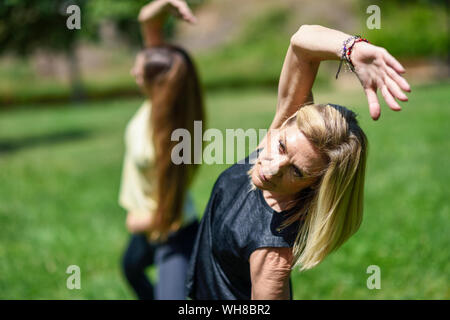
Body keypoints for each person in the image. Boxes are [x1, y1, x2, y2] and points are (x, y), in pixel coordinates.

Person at [186, 24, 411, 300]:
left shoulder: (271, 254)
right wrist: (354, 49)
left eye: (296, 171)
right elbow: (302, 42)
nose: (271, 167)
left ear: (315, 186)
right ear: (282, 127)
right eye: (281, 147)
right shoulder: (279, 135)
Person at [119, 0, 204, 300]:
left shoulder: (175, 142)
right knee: (130, 267)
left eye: (140, 70)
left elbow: (169, 213)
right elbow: (149, 23)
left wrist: (136, 220)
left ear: (159, 84)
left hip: (173, 233)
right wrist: (164, 5)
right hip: (149, 226)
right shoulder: (158, 103)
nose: (134, 71)